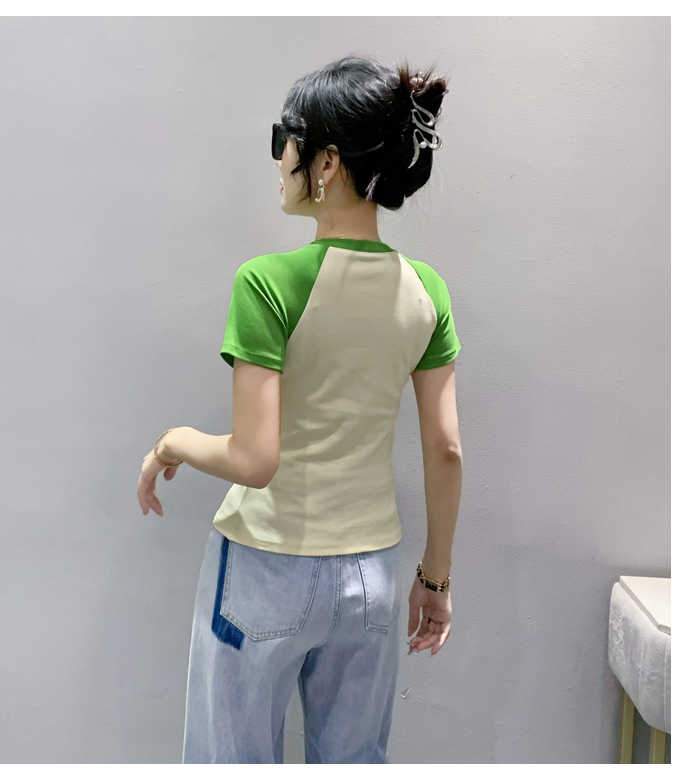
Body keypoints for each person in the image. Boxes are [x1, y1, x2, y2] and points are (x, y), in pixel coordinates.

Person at [137, 54, 463, 764]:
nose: (279, 157)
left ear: (327, 162)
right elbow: (446, 450)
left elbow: (255, 460)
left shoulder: (268, 282)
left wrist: (173, 441)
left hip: (266, 564)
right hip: (372, 577)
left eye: (284, 139)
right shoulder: (427, 290)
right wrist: (435, 578)